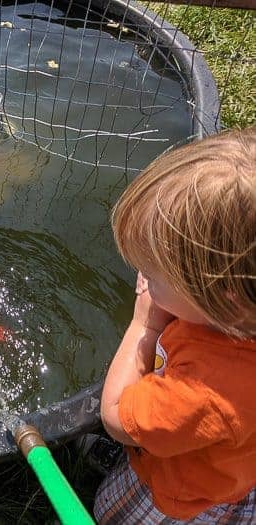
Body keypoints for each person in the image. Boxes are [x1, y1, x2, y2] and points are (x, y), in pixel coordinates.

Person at [93, 127, 256, 523]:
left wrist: (142, 327)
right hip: (229, 455)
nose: (143, 276)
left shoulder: (207, 392)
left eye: (154, 272)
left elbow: (115, 418)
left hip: (183, 494)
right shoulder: (234, 320)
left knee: (107, 511)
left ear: (223, 302)